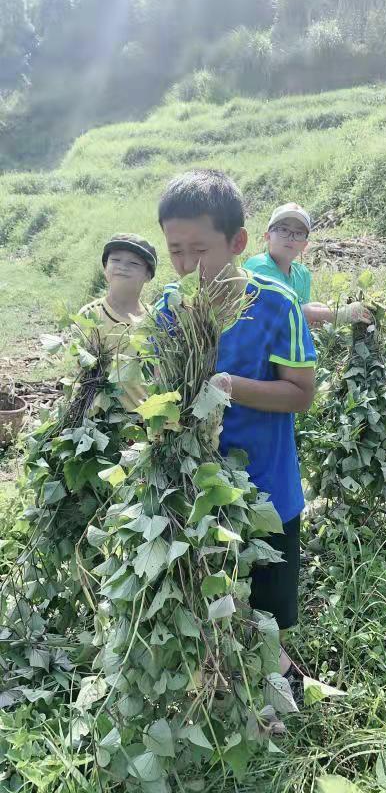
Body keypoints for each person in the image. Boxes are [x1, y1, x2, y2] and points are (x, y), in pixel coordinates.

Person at [156, 169, 316, 687]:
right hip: (197, 488)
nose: (186, 264)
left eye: (199, 250)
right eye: (175, 250)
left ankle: (280, 682)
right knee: (209, 597)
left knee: (266, 605)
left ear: (238, 242)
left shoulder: (275, 305)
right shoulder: (171, 308)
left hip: (266, 485)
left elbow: (300, 393)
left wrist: (231, 385)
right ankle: (223, 685)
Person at [244, 202, 371, 326]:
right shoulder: (259, 266)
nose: (291, 237)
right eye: (283, 229)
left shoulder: (302, 274)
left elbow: (299, 317)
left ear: (305, 245)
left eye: (298, 233)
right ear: (267, 236)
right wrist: (342, 314)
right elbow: (280, 313)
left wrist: (315, 317)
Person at [78, 233, 157, 411]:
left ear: (148, 275)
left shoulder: (155, 321)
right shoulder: (91, 315)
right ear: (105, 269)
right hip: (98, 419)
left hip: (143, 421)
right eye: (116, 260)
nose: (123, 267)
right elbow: (82, 373)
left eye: (133, 263)